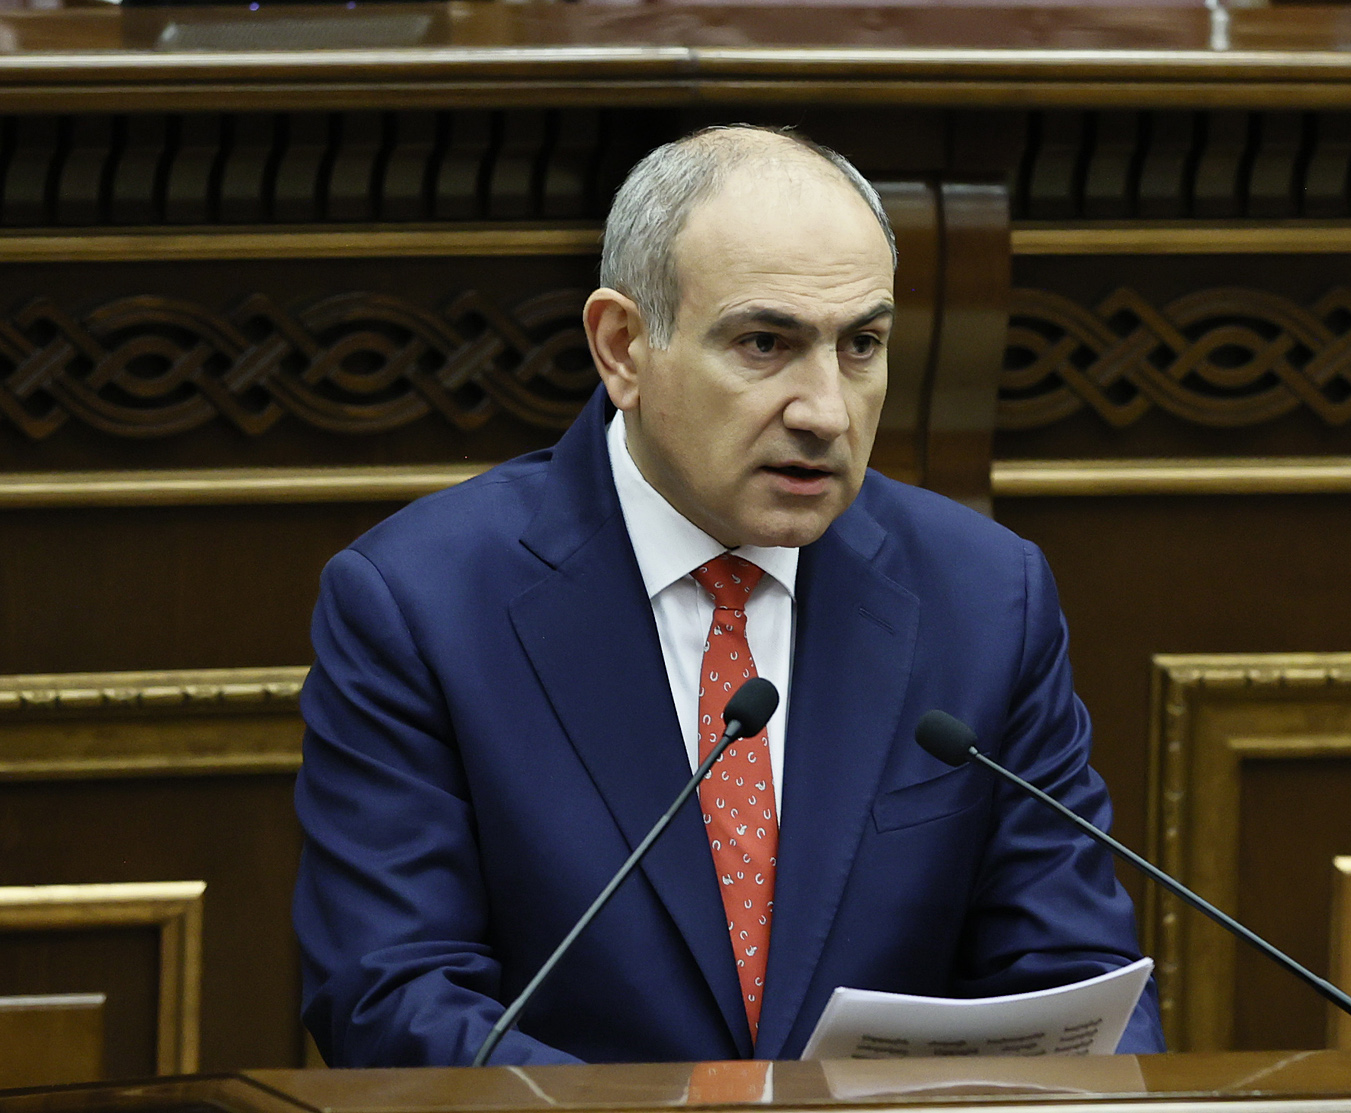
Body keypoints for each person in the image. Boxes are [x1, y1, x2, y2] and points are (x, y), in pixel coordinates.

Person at [293, 125, 1164, 1067]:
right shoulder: (421, 604)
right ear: (623, 347)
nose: (825, 410)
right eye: (764, 343)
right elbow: (395, 997)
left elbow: (1076, 977)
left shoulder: (985, 596)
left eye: (861, 344)